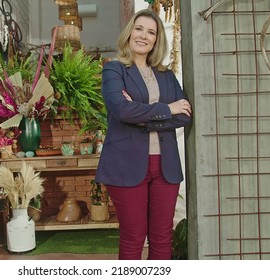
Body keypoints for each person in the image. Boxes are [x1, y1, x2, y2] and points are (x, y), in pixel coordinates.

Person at [95, 9, 192, 260]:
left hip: (165, 167)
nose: (144, 36)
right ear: (129, 32)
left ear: (156, 40)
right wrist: (166, 109)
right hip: (127, 166)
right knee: (133, 236)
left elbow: (183, 116)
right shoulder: (114, 70)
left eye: (151, 32)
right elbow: (121, 110)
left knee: (162, 237)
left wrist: (142, 116)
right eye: (139, 29)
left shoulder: (166, 75)